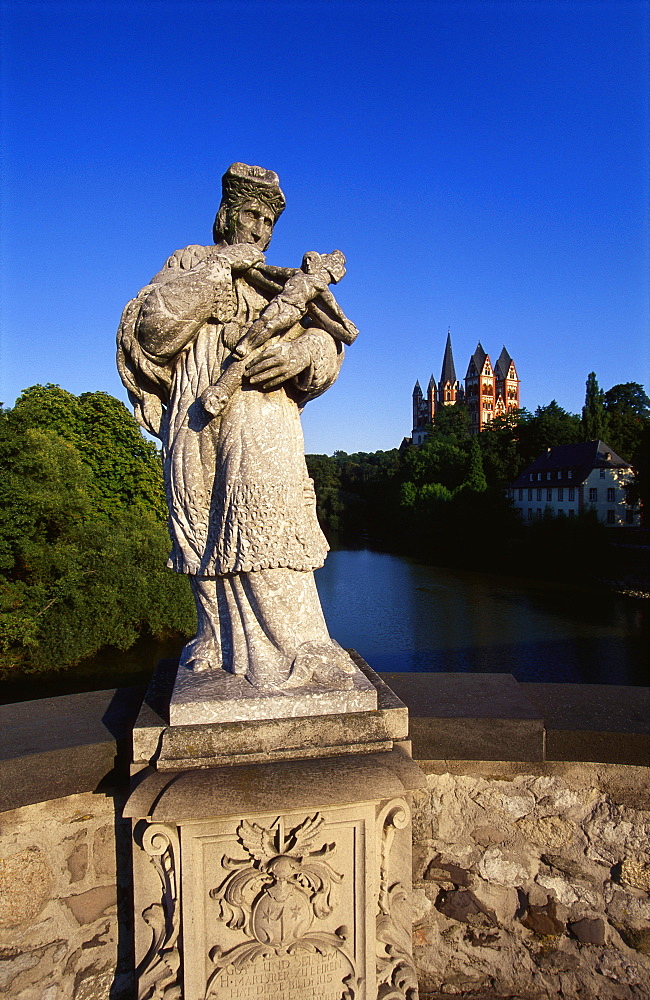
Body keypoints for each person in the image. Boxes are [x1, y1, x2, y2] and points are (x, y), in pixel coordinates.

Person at [117, 163, 358, 690]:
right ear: (227, 215)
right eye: (252, 216)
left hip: (262, 419)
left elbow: (328, 341)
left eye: (269, 222)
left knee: (268, 525)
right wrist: (222, 267)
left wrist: (304, 352)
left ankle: (303, 647)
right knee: (202, 535)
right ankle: (219, 640)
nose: (260, 231)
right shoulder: (189, 263)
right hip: (196, 418)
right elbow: (155, 334)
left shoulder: (279, 282)